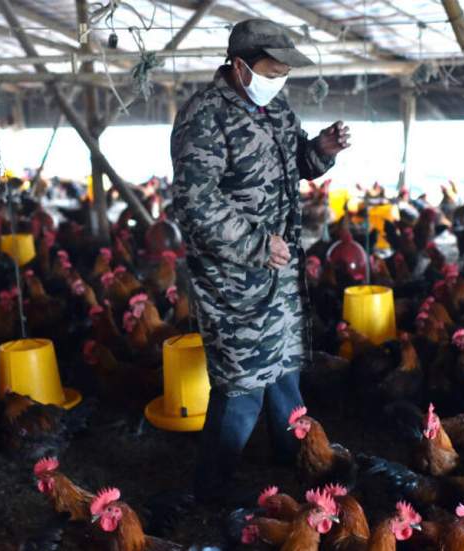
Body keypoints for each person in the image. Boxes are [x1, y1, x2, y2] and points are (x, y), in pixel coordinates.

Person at [169, 18, 351, 504]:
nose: (281, 79)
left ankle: (294, 457)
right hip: (233, 279)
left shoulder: (277, 108)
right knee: (242, 387)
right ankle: (213, 487)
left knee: (285, 371)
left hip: (279, 270)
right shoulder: (204, 116)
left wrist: (322, 152)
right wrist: (254, 243)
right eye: (273, 69)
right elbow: (194, 201)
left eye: (286, 71)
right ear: (240, 65)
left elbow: (295, 165)